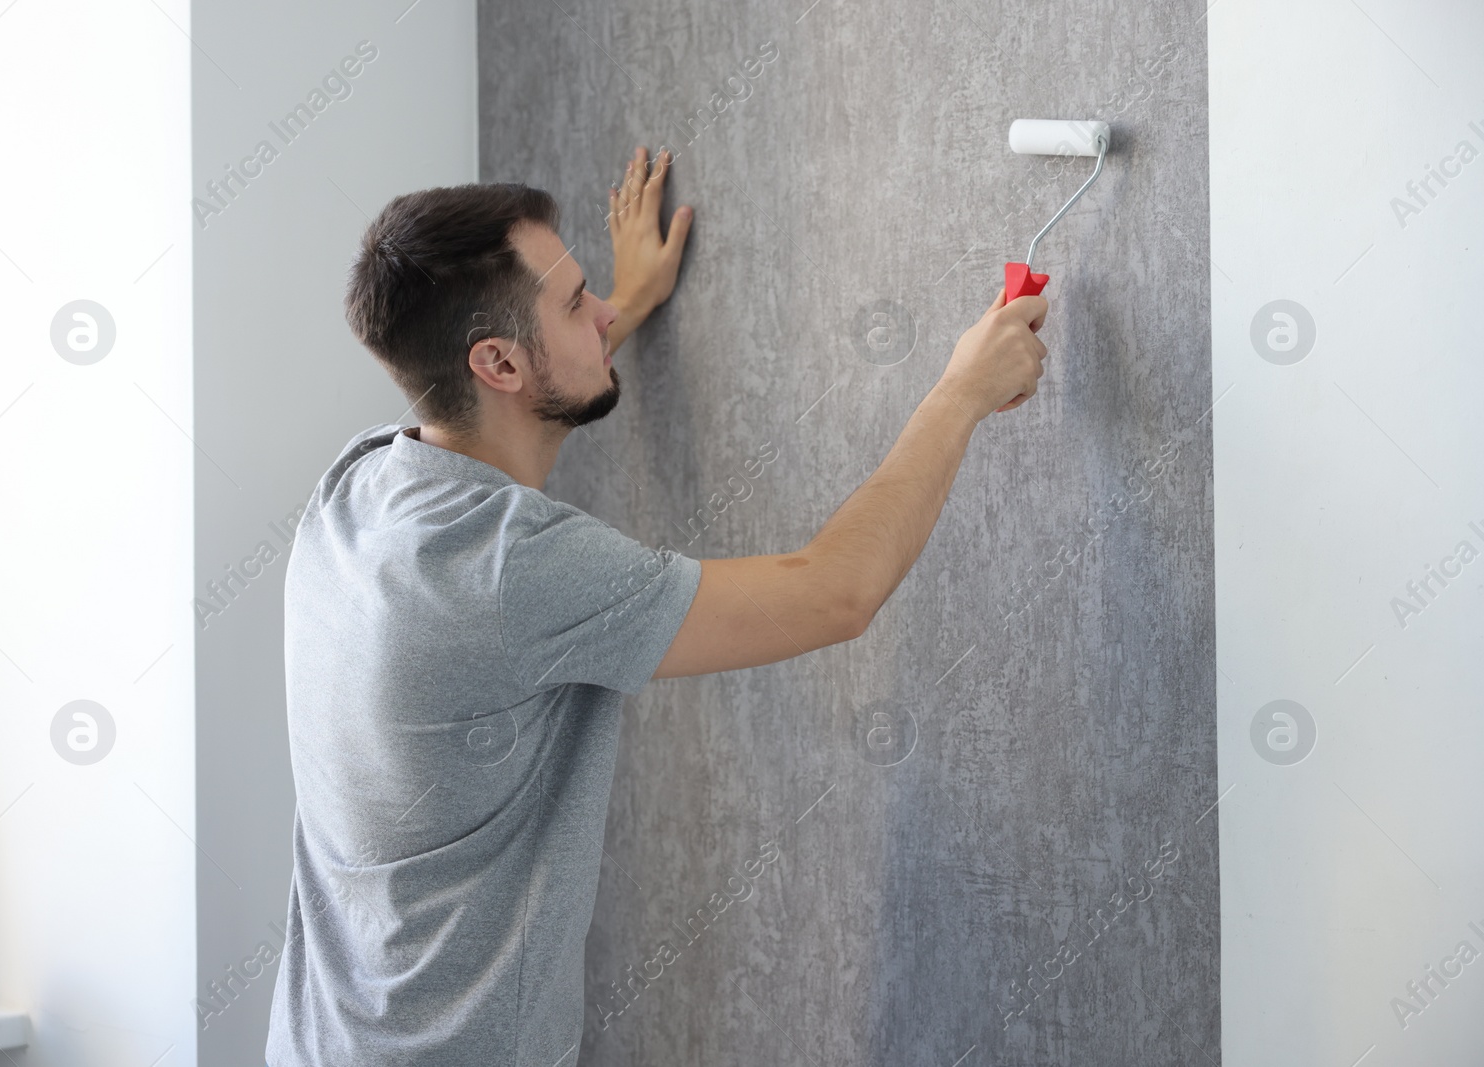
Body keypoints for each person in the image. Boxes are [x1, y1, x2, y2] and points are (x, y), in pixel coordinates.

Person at [264, 146, 1047, 1066]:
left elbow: (508, 410)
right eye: (575, 302)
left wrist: (619, 310)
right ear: (499, 362)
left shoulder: (363, 481)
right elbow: (836, 591)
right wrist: (962, 390)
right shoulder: (509, 571)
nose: (599, 311)